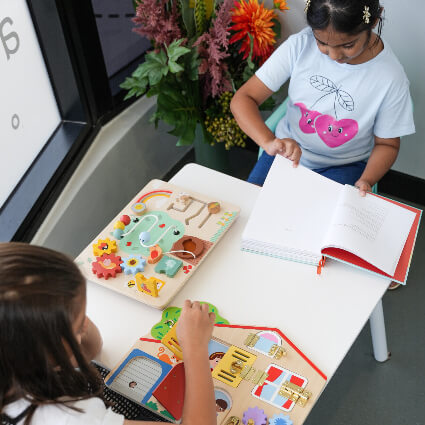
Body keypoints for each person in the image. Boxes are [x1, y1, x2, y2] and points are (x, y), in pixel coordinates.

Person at [230, 0, 414, 291]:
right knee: (249, 226)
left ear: (374, 21)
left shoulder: (389, 78)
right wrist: (270, 142)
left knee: (321, 250)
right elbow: (243, 99)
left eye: (347, 45)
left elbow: (387, 145)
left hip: (343, 167)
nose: (333, 55)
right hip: (284, 155)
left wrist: (366, 179)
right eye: (322, 44)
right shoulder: (299, 45)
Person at [0, 242, 217, 425]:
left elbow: (91, 350)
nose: (85, 326)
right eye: (77, 328)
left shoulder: (13, 364)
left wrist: (72, 318)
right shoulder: (67, 418)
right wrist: (195, 346)